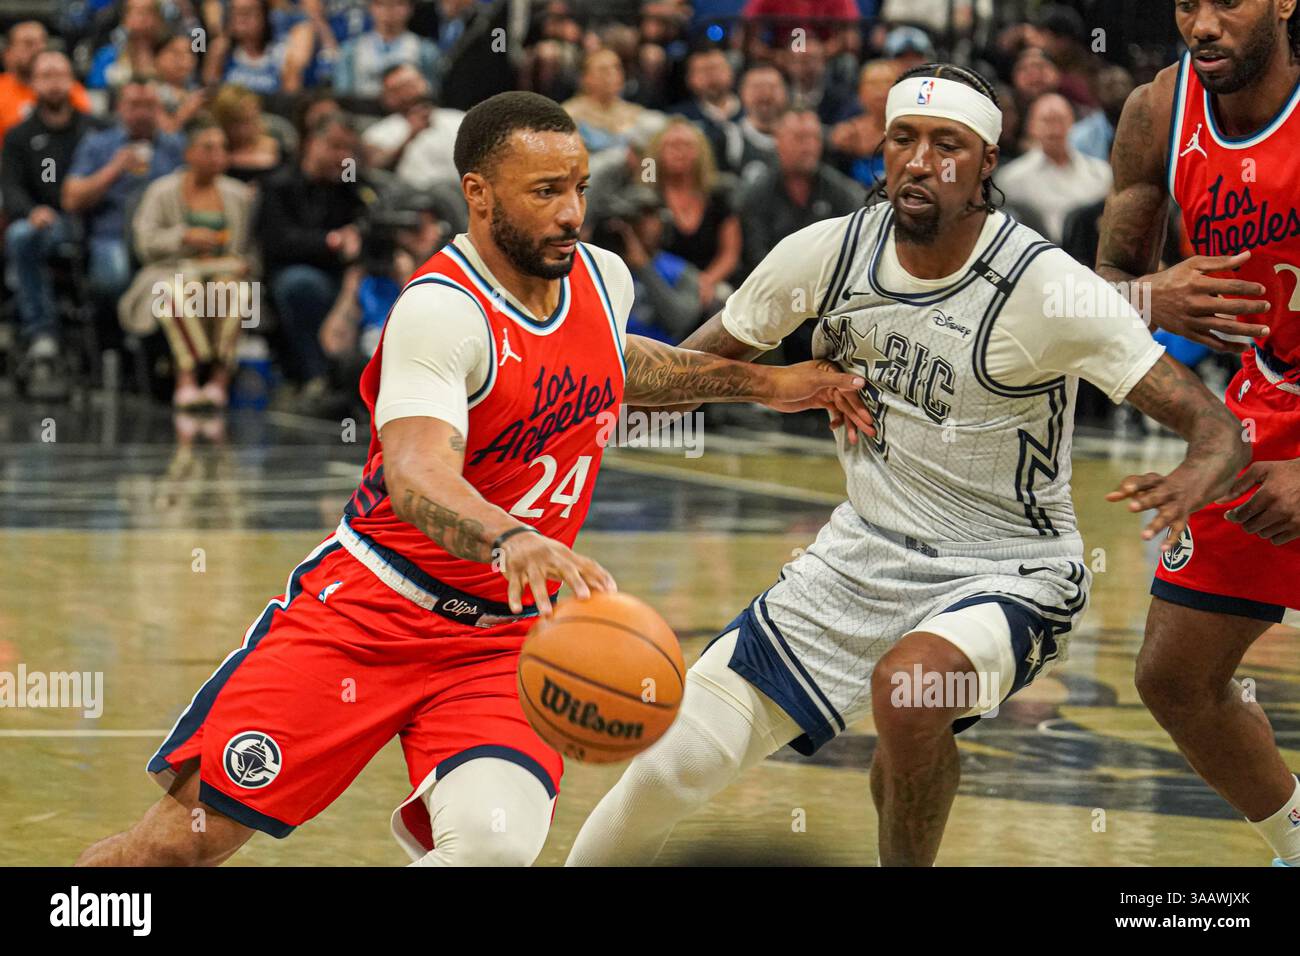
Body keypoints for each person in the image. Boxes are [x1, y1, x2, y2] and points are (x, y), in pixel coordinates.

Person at [74, 90, 870, 867]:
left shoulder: (601, 277)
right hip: (372, 613)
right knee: (178, 847)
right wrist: (509, 536)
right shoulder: (440, 311)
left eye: (581, 189)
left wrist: (771, 383)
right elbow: (416, 472)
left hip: (504, 642)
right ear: (479, 195)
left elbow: (616, 363)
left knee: (493, 846)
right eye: (547, 192)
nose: (571, 213)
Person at [565, 64, 1247, 868]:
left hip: (1010, 570)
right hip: (859, 555)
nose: (921, 162)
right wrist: (765, 384)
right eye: (904, 139)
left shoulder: (1042, 285)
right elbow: (677, 377)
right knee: (664, 772)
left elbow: (1215, 427)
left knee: (909, 693)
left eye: (947, 144)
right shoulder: (825, 252)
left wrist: (1200, 471)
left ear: (987, 161)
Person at [1096, 0, 1300, 868]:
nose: (1202, 24)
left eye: (1227, 2)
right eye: (1187, 5)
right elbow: (1092, 287)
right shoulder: (1158, 110)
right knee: (1174, 676)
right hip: (1271, 393)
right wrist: (1146, 297)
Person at [118, 115, 256, 410]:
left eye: (222, 148)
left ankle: (220, 378)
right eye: (208, 148)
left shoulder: (238, 195)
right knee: (182, 291)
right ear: (189, 152)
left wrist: (243, 264)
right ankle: (187, 376)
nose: (217, 155)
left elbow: (249, 249)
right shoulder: (162, 191)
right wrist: (183, 237)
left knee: (237, 292)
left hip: (221, 272)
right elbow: (145, 244)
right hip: (169, 270)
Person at [1, 51, 97, 400]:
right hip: (41, 223)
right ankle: (43, 336)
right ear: (34, 83)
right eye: (46, 75)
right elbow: (10, 187)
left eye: (61, 74)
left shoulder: (93, 129)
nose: (54, 82)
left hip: (86, 224)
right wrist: (31, 211)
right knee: (22, 235)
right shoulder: (19, 136)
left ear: (72, 80)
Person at [256, 111, 369, 393]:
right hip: (295, 271)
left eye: (348, 149)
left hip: (346, 273)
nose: (341, 156)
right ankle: (316, 376)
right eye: (334, 146)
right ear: (311, 144)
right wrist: (330, 242)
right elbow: (278, 242)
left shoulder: (352, 186)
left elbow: (368, 224)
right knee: (302, 285)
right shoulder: (278, 184)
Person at [63, 78, 186, 320]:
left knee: (187, 279)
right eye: (134, 105)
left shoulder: (177, 146)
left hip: (163, 236)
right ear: (119, 107)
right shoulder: (98, 145)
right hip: (112, 234)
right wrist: (113, 169)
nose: (142, 113)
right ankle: (117, 344)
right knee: (114, 277)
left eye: (149, 105)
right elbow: (71, 199)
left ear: (159, 109)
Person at [646, 118, 741, 311]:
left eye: (687, 145)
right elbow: (646, 254)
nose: (680, 152)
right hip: (663, 285)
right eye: (672, 146)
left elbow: (730, 253)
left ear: (701, 152)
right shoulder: (648, 199)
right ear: (658, 153)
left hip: (711, 283)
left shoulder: (719, 195)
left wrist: (707, 281)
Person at [998, 93, 1112, 244]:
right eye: (1046, 121)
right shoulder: (1010, 179)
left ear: (1072, 123)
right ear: (1031, 126)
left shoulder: (1102, 173)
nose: (1054, 129)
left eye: (1060, 120)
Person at [0, 21, 92, 139]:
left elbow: (86, 134)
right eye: (28, 43)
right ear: (9, 52)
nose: (38, 49)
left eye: (42, 42)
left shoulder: (66, 89)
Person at [333, 0, 440, 98]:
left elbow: (432, 92)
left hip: (407, 114)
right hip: (362, 113)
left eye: (398, 4)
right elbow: (342, 94)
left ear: (411, 8)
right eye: (381, 4)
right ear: (370, 8)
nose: (389, 10)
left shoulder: (426, 49)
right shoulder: (350, 49)